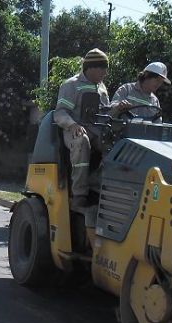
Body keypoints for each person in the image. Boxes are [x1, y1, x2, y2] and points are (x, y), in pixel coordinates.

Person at [53, 48, 112, 207]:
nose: (105, 73)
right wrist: (73, 124)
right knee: (82, 142)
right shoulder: (71, 85)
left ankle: (96, 184)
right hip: (74, 131)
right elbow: (60, 113)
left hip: (96, 131)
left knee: (115, 146)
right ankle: (79, 193)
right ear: (91, 68)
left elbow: (105, 112)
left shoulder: (102, 88)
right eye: (102, 69)